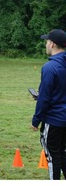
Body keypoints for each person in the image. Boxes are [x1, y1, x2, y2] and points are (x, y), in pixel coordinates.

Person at [31, 29, 66, 180]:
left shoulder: (49, 68)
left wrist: (36, 120)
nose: (46, 44)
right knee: (62, 152)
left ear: (52, 44)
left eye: (47, 41)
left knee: (52, 155)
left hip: (53, 119)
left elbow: (44, 98)